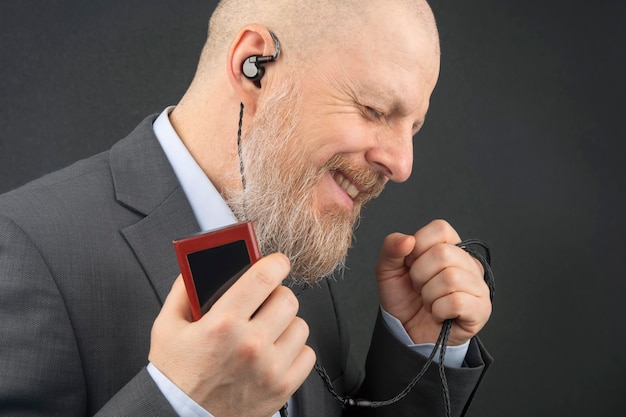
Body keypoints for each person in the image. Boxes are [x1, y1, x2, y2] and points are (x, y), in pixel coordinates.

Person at [0, 0, 493, 416]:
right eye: (375, 110)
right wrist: (181, 403)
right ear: (253, 67)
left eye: (414, 127)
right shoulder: (23, 247)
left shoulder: (295, 244)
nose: (402, 164)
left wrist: (421, 347)